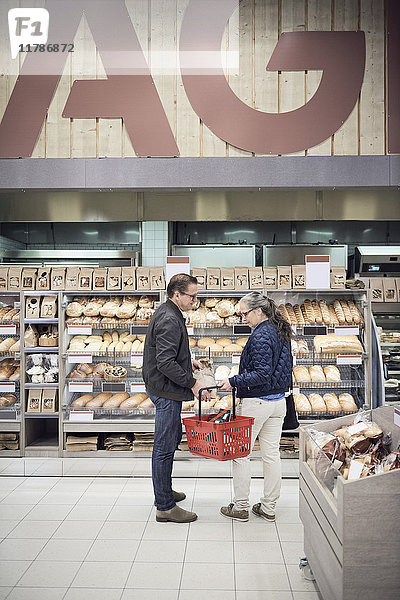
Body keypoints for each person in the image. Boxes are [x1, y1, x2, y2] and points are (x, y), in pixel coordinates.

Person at [142, 273, 210, 523]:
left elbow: (169, 354)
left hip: (164, 386)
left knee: (168, 443)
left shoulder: (169, 312)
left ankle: (164, 490)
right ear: (177, 294)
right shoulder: (170, 318)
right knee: (164, 446)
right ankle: (165, 506)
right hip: (166, 390)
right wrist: (193, 383)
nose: (195, 301)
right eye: (192, 296)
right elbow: (165, 362)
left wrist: (186, 361)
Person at [219, 291, 292, 522]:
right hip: (278, 403)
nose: (243, 319)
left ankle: (241, 507)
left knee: (240, 455)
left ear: (258, 311)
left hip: (257, 403)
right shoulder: (280, 331)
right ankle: (269, 507)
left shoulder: (260, 336)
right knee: (271, 455)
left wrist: (232, 382)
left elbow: (261, 374)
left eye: (245, 314)